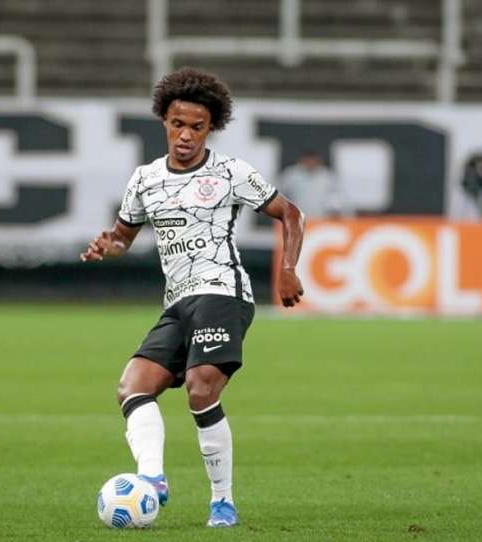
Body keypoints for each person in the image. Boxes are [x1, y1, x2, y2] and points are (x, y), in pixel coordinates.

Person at [80, 67, 305, 527]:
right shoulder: (144, 179)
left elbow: (291, 213)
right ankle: (152, 480)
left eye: (196, 127)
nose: (185, 136)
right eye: (177, 124)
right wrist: (110, 246)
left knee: (202, 387)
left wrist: (286, 269)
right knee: (133, 385)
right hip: (178, 301)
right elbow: (125, 235)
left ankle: (222, 501)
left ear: (210, 128)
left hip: (223, 290)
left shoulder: (230, 173)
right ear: (164, 120)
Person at [277, 149, 349, 219]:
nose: (310, 163)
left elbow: (336, 196)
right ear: (301, 160)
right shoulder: (291, 175)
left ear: (318, 161)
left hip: (321, 218)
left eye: (312, 160)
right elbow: (279, 193)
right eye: (307, 160)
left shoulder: (327, 176)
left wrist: (335, 209)